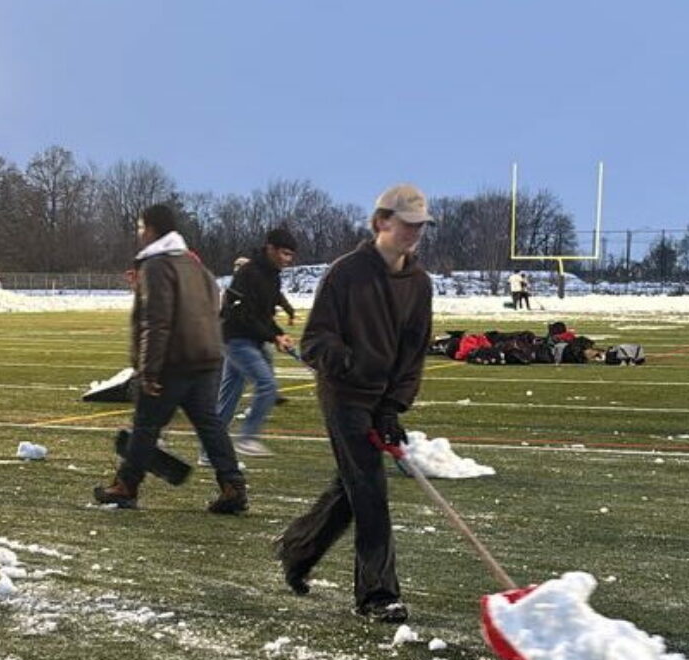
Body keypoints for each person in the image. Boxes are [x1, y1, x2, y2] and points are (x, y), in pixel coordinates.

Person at [275, 184, 434, 623]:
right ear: (382, 221)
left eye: (421, 226)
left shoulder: (419, 284)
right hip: (343, 393)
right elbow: (315, 340)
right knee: (369, 491)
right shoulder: (346, 273)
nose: (415, 233)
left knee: (352, 487)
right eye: (407, 224)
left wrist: (392, 406)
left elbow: (413, 350)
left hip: (379, 398)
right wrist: (348, 362)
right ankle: (377, 595)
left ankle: (297, 550)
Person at [93, 203, 248, 514]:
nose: (139, 233)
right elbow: (215, 308)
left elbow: (157, 320)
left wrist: (148, 370)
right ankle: (233, 486)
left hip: (173, 362)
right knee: (210, 425)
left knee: (146, 424)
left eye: (140, 227)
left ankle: (125, 486)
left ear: (150, 229)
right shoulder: (196, 266)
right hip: (206, 357)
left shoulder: (156, 267)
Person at [215, 228, 298, 458]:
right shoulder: (248, 273)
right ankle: (247, 437)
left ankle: (210, 451)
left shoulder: (273, 275)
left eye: (291, 255)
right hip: (237, 339)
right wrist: (273, 337)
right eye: (284, 253)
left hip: (252, 338)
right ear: (270, 248)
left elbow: (264, 314)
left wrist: (279, 333)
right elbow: (244, 315)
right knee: (267, 384)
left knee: (227, 402)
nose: (287, 260)